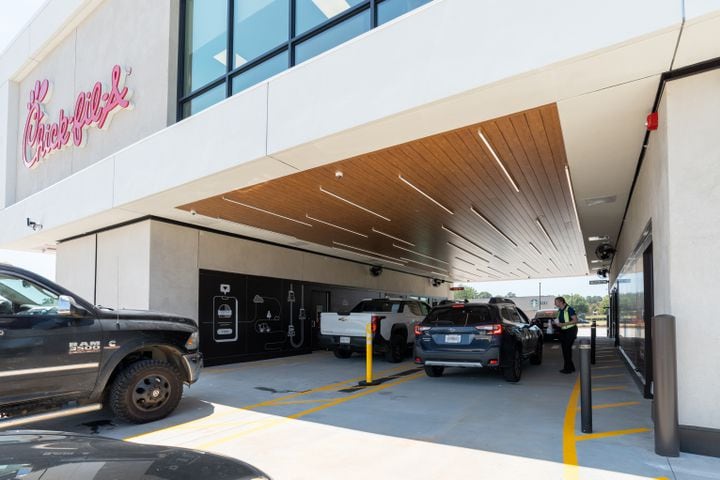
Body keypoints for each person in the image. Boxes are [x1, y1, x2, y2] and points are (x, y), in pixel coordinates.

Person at [553, 296, 579, 374]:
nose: (555, 303)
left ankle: (567, 369)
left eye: (556, 302)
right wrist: (556, 323)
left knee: (567, 349)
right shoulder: (559, 310)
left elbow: (575, 320)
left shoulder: (569, 309)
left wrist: (563, 324)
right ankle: (571, 367)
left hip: (571, 331)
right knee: (565, 350)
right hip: (563, 331)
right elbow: (559, 320)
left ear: (561, 302)